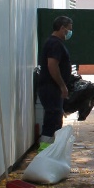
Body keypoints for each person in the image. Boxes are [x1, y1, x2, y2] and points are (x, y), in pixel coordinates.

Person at [37, 16, 74, 148]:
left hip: (52, 88)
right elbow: (52, 65)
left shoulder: (53, 43)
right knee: (52, 119)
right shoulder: (55, 44)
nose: (69, 33)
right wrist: (62, 86)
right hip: (51, 88)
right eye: (69, 29)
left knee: (55, 118)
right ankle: (45, 151)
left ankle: (51, 150)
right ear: (62, 28)